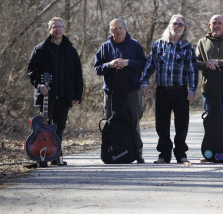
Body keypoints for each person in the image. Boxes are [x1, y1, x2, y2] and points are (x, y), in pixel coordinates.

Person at [141, 14, 198, 164]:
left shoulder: (188, 48)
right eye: (175, 24)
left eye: (180, 24)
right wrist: (144, 82)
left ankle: (181, 154)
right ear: (169, 25)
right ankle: (164, 154)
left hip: (180, 91)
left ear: (184, 28)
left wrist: (192, 90)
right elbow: (150, 65)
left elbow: (192, 71)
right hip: (162, 90)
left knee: (182, 123)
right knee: (161, 124)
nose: (177, 27)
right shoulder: (158, 45)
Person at [28, 17, 83, 167]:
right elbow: (31, 70)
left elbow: (77, 73)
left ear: (64, 29)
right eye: (54, 27)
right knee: (43, 127)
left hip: (65, 95)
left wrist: (78, 94)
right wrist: (39, 85)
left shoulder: (71, 50)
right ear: (49, 30)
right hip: (46, 96)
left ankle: (56, 155)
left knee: (59, 127)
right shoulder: (40, 49)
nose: (57, 29)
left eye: (60, 26)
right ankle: (41, 156)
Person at [94, 18, 147, 163]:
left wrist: (127, 62)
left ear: (125, 29)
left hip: (131, 92)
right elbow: (97, 69)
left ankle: (136, 152)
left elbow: (144, 64)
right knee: (110, 122)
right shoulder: (105, 47)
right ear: (111, 31)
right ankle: (112, 151)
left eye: (120, 28)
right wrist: (110, 65)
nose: (117, 31)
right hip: (111, 93)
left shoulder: (134, 45)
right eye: (114, 29)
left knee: (133, 121)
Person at [196, 14, 223, 162]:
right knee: (210, 121)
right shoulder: (202, 42)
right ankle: (211, 151)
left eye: (219, 23)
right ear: (209, 25)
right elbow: (196, 63)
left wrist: (218, 62)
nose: (217, 26)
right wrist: (206, 64)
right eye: (214, 23)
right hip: (208, 89)